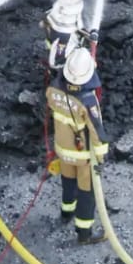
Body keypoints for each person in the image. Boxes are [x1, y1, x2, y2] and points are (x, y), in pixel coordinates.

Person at [46, 44, 109, 243]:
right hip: (83, 156)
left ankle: (66, 213)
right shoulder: (87, 101)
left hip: (62, 150)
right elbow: (96, 131)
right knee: (86, 192)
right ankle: (84, 233)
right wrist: (100, 157)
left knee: (68, 183)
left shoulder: (52, 90)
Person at [42, 0, 92, 71]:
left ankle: (56, 59)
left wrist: (46, 19)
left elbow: (51, 14)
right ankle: (58, 61)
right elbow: (79, 21)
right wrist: (84, 31)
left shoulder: (61, 5)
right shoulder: (74, 7)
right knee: (61, 46)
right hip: (64, 31)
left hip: (59, 29)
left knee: (58, 44)